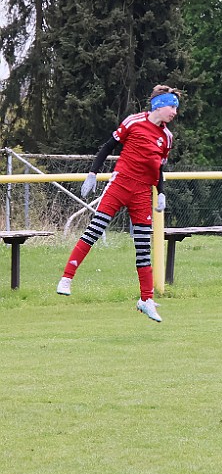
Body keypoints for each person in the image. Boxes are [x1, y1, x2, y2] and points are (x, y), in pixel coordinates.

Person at [56, 85, 180, 322]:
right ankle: (67, 277)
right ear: (159, 105)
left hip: (143, 194)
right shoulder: (133, 122)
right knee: (94, 230)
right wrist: (92, 173)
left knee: (143, 248)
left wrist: (160, 192)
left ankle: (146, 300)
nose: (174, 112)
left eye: (176, 108)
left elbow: (159, 168)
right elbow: (107, 147)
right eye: (172, 106)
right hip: (120, 185)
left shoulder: (167, 137)